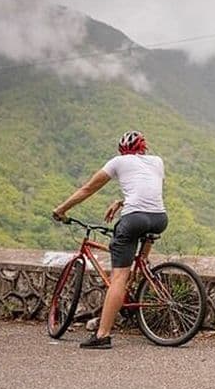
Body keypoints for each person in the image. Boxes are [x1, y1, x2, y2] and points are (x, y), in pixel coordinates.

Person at [53, 130, 168, 349]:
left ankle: (103, 335)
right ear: (144, 148)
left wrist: (62, 209)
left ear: (122, 150)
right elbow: (147, 190)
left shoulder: (118, 162)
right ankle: (134, 287)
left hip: (134, 219)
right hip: (160, 218)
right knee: (135, 264)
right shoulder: (157, 161)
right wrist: (122, 202)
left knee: (118, 278)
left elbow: (88, 189)